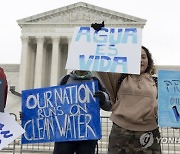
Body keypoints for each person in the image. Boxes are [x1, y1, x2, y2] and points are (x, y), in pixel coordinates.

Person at [97, 46, 161, 154]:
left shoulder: (157, 81)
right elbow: (99, 63)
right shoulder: (119, 78)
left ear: (148, 60)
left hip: (149, 133)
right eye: (136, 57)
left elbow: (169, 105)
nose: (140, 60)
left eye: (143, 57)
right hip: (121, 133)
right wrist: (97, 35)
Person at [53, 70, 112, 154]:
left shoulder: (96, 82)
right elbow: (55, 103)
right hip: (66, 131)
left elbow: (109, 106)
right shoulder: (64, 80)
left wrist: (103, 99)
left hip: (88, 133)